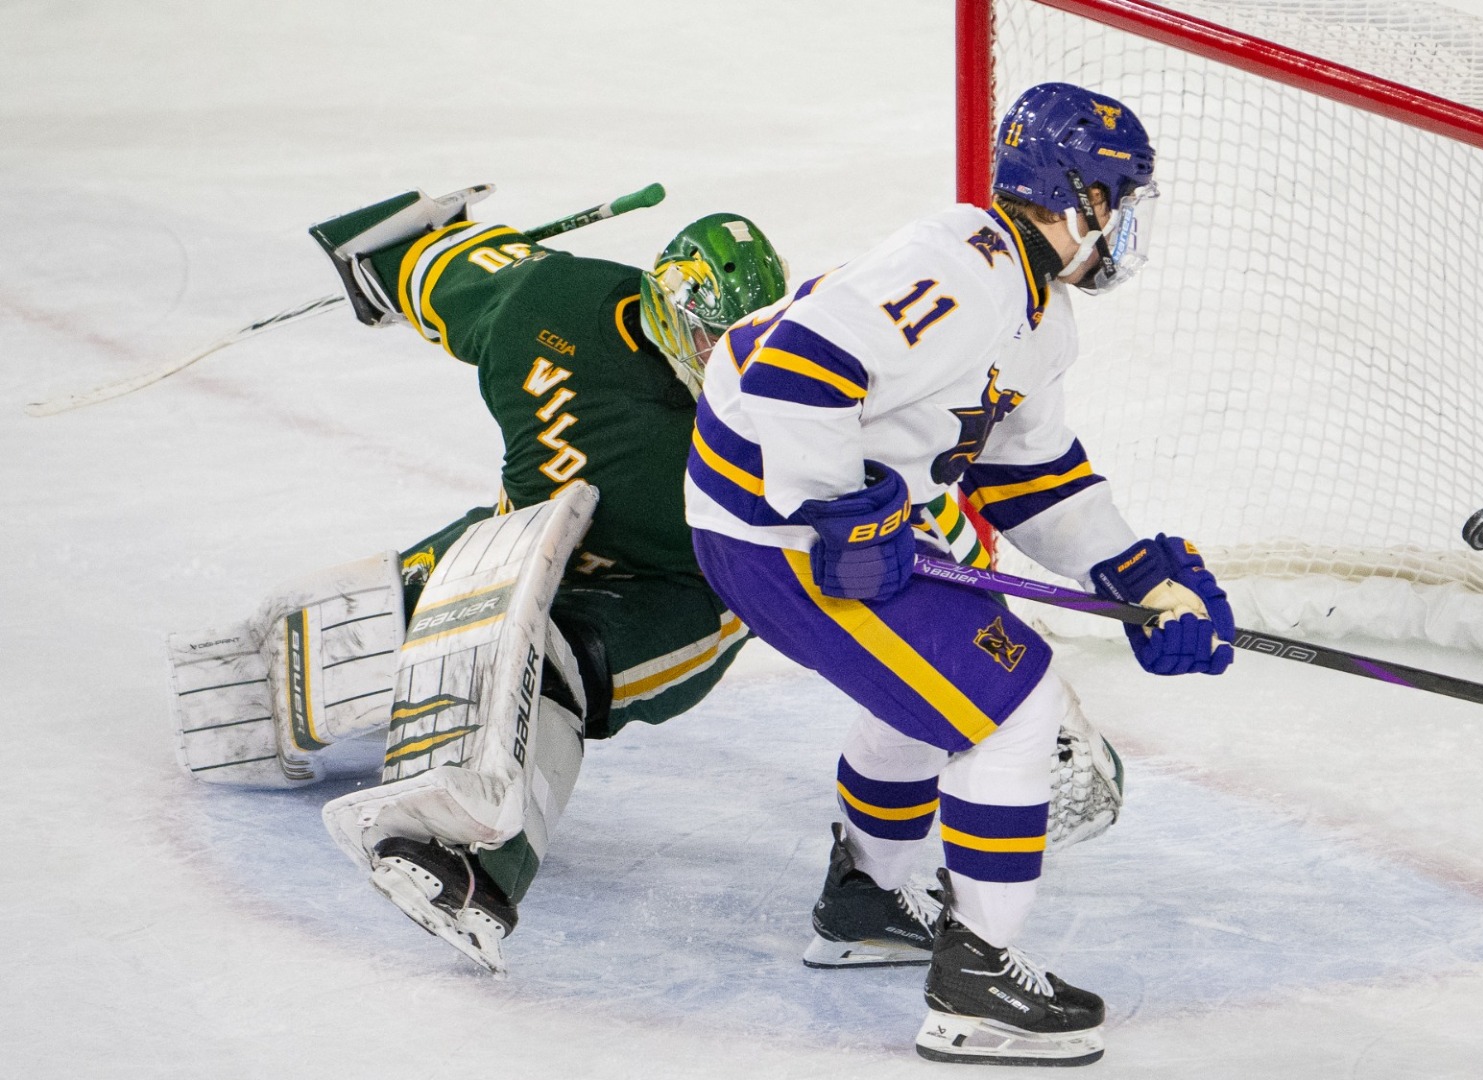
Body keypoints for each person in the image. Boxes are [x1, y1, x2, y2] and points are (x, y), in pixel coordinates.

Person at [684, 83, 1236, 1066]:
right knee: (1012, 699)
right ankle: (978, 981)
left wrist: (1133, 575)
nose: (1128, 226)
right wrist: (828, 503)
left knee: (928, 685)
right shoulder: (962, 267)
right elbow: (788, 371)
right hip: (774, 536)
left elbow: (1032, 476)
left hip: (793, 527)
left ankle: (872, 896)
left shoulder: (1034, 311)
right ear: (1087, 202)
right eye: (1125, 199)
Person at [167, 187, 791, 974]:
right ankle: (350, 681)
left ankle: (475, 868)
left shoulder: (791, 400)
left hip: (684, 597)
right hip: (521, 545)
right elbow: (449, 264)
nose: (726, 360)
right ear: (663, 308)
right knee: (369, 637)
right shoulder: (549, 303)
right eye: (708, 337)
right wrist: (386, 255)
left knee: (553, 670)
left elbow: (897, 482)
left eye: (747, 339)